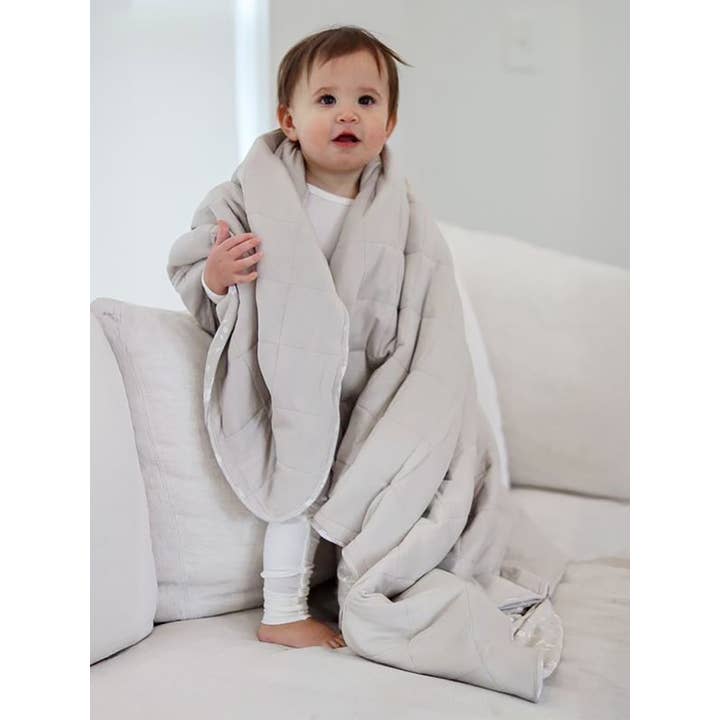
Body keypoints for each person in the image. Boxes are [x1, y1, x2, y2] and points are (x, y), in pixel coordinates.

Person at [194, 26, 411, 650]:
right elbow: (202, 273)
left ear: (389, 124)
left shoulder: (399, 209)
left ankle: (368, 593)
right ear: (289, 120)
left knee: (373, 492)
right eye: (327, 100)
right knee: (298, 489)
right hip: (288, 376)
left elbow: (423, 297)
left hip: (367, 380)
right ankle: (282, 610)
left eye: (366, 101)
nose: (348, 113)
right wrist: (217, 276)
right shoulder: (253, 197)